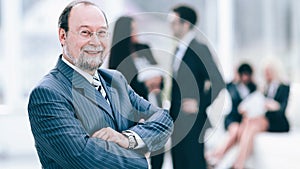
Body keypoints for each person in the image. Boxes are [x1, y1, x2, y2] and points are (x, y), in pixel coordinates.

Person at [27, 1, 173, 168]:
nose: (96, 42)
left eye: (102, 33)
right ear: (63, 36)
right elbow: (85, 159)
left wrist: (127, 139)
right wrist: (141, 157)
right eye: (85, 32)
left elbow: (163, 119)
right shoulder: (48, 93)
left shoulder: (115, 80)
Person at [168, 5, 225, 169]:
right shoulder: (178, 49)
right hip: (176, 121)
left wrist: (200, 104)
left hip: (192, 122)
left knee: (193, 163)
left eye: (173, 22)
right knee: (179, 163)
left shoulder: (199, 48)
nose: (170, 26)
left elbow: (218, 81)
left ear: (185, 24)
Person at [207, 62, 290, 169]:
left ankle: (235, 163)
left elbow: (282, 107)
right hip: (259, 118)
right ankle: (234, 162)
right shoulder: (262, 87)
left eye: (269, 72)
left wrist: (274, 106)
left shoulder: (283, 86)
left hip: (277, 120)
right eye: (265, 72)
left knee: (248, 127)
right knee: (246, 124)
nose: (267, 74)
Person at [108, 16, 165, 169]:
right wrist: (145, 85)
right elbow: (122, 86)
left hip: (154, 105)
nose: (136, 33)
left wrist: (158, 82)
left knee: (158, 149)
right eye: (132, 30)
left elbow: (159, 73)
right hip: (133, 112)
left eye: (136, 29)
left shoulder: (144, 48)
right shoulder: (118, 56)